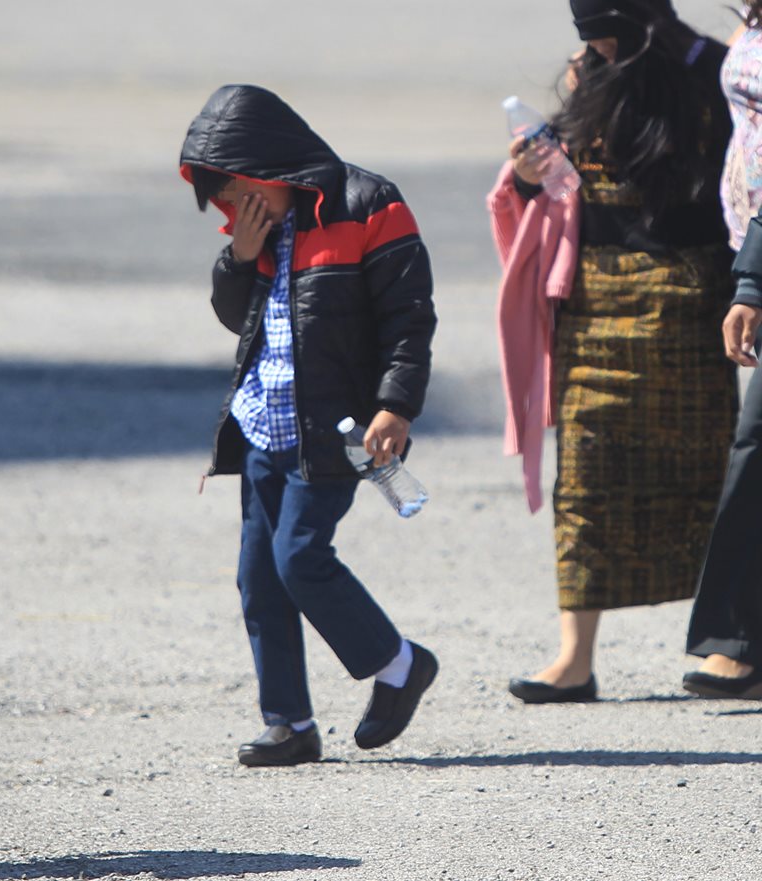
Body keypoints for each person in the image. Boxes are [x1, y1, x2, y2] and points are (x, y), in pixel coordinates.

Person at [179, 84, 439, 766]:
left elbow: (410, 317)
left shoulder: (368, 203)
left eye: (234, 190)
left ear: (267, 164)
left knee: (300, 557)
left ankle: (399, 664)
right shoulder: (254, 232)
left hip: (335, 428)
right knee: (259, 578)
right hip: (263, 421)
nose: (231, 207)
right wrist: (237, 255)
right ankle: (289, 722)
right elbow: (237, 319)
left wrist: (396, 404)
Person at [493, 0, 738, 703]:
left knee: (707, 474)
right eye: (587, 37)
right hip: (594, 303)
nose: (596, 46)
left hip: (692, 299)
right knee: (586, 482)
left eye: (605, 33)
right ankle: (574, 657)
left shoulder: (713, 73)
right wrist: (526, 174)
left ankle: (730, 642)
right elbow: (550, 187)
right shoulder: (588, 76)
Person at [682, 0, 762, 700]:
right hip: (747, 241)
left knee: (754, 438)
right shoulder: (750, 20)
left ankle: (737, 638)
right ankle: (740, 638)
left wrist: (754, 283)